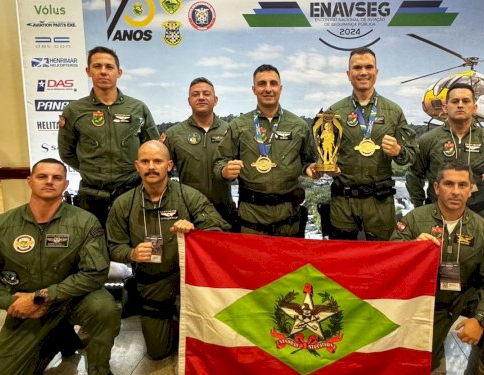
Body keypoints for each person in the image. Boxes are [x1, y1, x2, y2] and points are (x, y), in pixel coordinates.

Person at [0, 158, 120, 375]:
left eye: (57, 178)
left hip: (72, 298)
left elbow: (94, 274)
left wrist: (43, 295)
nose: (49, 181)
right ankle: (57, 337)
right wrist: (10, 302)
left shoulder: (84, 222)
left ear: (66, 184)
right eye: (42, 176)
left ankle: (99, 371)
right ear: (29, 181)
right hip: (26, 308)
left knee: (105, 308)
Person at [391, 163, 484, 375]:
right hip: (428, 300)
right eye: (449, 184)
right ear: (436, 188)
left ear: (471, 189)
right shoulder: (414, 220)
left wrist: (481, 319)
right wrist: (410, 249)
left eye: (463, 185)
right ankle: (435, 340)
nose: (455, 191)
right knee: (420, 366)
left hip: (465, 295)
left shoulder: (481, 228)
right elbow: (389, 262)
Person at [107, 141, 229, 360]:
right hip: (152, 281)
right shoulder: (123, 203)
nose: (151, 167)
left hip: (189, 279)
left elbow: (217, 230)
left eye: (158, 161)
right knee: (157, 352)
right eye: (145, 161)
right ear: (137, 166)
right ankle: (173, 319)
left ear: (169, 165)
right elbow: (113, 246)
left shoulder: (189, 196)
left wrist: (195, 230)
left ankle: (184, 318)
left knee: (205, 346)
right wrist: (131, 254)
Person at [58, 46, 160, 226]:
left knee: (136, 248)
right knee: (95, 248)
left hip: (133, 193)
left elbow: (154, 148)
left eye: (109, 67)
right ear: (88, 71)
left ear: (119, 72)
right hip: (92, 197)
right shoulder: (74, 111)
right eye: (97, 66)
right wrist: (94, 170)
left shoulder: (137, 108)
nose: (103, 72)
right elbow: (67, 153)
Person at [214, 64, 318, 237]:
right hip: (251, 218)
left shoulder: (299, 126)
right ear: (254, 89)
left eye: (273, 83)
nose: (268, 89)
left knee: (290, 264)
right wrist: (225, 171)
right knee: (252, 264)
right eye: (262, 84)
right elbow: (219, 163)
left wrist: (310, 169)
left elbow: (308, 161)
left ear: (280, 88)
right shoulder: (239, 126)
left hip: (289, 218)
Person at [328, 48, 417, 241]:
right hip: (344, 202)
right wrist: (326, 167)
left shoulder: (393, 111)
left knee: (382, 259)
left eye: (369, 67)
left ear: (376, 72)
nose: (363, 72)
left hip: (380, 202)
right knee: (341, 258)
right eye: (357, 67)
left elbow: (411, 155)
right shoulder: (334, 112)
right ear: (348, 74)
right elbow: (322, 153)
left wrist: (398, 151)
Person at [407, 83, 484, 220]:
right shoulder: (428, 140)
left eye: (466, 101)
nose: (460, 105)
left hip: (476, 214)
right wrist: (419, 208)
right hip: (437, 215)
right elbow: (414, 175)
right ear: (445, 108)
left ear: (475, 108)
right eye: (455, 101)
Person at [164, 77, 235, 225]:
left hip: (225, 213)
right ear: (189, 100)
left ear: (215, 100)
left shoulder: (231, 131)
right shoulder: (174, 134)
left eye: (206, 94)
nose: (201, 97)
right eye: (195, 94)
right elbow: (162, 174)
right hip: (188, 214)